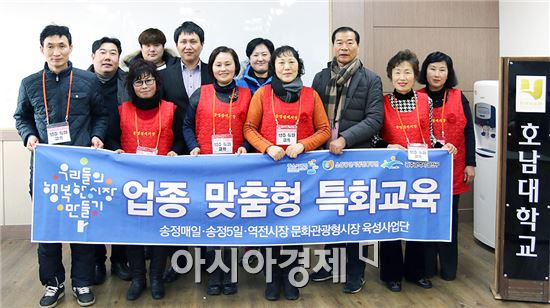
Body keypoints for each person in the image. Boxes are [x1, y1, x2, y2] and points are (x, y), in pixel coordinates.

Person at [14, 24, 108, 308]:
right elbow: (22, 118)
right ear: (42, 49)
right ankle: (52, 283)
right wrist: (29, 135)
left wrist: (97, 135)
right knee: (48, 228)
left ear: (71, 48)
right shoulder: (29, 83)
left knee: (82, 226)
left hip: (80, 167)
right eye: (50, 46)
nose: (56, 52)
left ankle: (81, 282)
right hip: (45, 170)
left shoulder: (87, 81)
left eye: (62, 46)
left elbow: (101, 115)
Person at [244, 45, 331, 301]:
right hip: (269, 168)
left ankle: (292, 277)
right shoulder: (262, 93)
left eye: (291, 62)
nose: (286, 67)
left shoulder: (310, 94)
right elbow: (249, 128)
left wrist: (304, 145)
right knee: (271, 226)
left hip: (300, 171)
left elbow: (324, 130)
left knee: (295, 226)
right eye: (281, 63)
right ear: (274, 67)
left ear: (299, 66)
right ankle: (272, 279)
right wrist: (267, 146)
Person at [372, 49, 457, 293]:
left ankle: (415, 272)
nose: (402, 77)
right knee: (390, 223)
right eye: (397, 72)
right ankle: (391, 274)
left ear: (414, 75)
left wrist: (443, 145)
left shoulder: (426, 101)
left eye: (407, 72)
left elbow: (429, 134)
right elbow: (375, 137)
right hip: (391, 172)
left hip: (420, 171)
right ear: (390, 76)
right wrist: (388, 145)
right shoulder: (383, 102)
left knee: (417, 221)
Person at [310, 26, 384, 294]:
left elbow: (375, 119)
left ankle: (356, 271)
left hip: (356, 158)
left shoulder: (370, 79)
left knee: (354, 217)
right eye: (339, 42)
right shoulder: (320, 78)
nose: (344, 47)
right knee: (330, 213)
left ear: (358, 46)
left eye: (349, 42)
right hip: (324, 158)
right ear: (332, 46)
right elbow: (310, 115)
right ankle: (330, 264)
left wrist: (344, 139)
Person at [113, 59, 185, 301]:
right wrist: (116, 150)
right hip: (130, 183)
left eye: (149, 80)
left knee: (159, 231)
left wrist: (176, 150)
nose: (144, 86)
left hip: (163, 181)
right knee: (134, 231)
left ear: (157, 82)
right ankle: (137, 278)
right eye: (138, 82)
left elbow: (180, 138)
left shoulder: (171, 108)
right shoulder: (122, 110)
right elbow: (111, 138)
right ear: (131, 85)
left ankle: (155, 277)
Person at [183, 46, 252, 296]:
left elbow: (252, 127)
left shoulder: (246, 94)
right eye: (218, 64)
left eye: (228, 64)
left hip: (237, 167)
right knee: (210, 218)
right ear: (211, 68)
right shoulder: (200, 93)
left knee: (233, 219)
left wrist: (245, 146)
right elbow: (187, 126)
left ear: (236, 67)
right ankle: (214, 271)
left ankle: (231, 272)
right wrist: (193, 147)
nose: (223, 69)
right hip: (206, 168)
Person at [160, 21, 214, 282]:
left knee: (206, 203)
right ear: (177, 45)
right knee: (178, 204)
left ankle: (206, 260)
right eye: (183, 41)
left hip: (208, 147)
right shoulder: (165, 74)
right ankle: (178, 261)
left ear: (202, 44)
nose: (188, 46)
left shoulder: (214, 70)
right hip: (175, 148)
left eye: (194, 41)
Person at [418, 51, 476, 281]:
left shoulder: (458, 96)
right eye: (433, 68)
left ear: (448, 73)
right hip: (423, 170)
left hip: (453, 167)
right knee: (426, 218)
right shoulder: (417, 96)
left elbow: (469, 131)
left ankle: (449, 268)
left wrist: (471, 163)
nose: (437, 74)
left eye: (442, 69)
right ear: (425, 71)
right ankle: (427, 267)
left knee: (449, 219)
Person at [87, 36, 132, 285]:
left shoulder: (128, 80)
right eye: (102, 52)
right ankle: (96, 260)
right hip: (90, 154)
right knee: (94, 209)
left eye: (113, 53)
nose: (107, 57)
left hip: (121, 152)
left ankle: (119, 260)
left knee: (121, 207)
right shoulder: (80, 81)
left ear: (118, 58)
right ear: (93, 56)